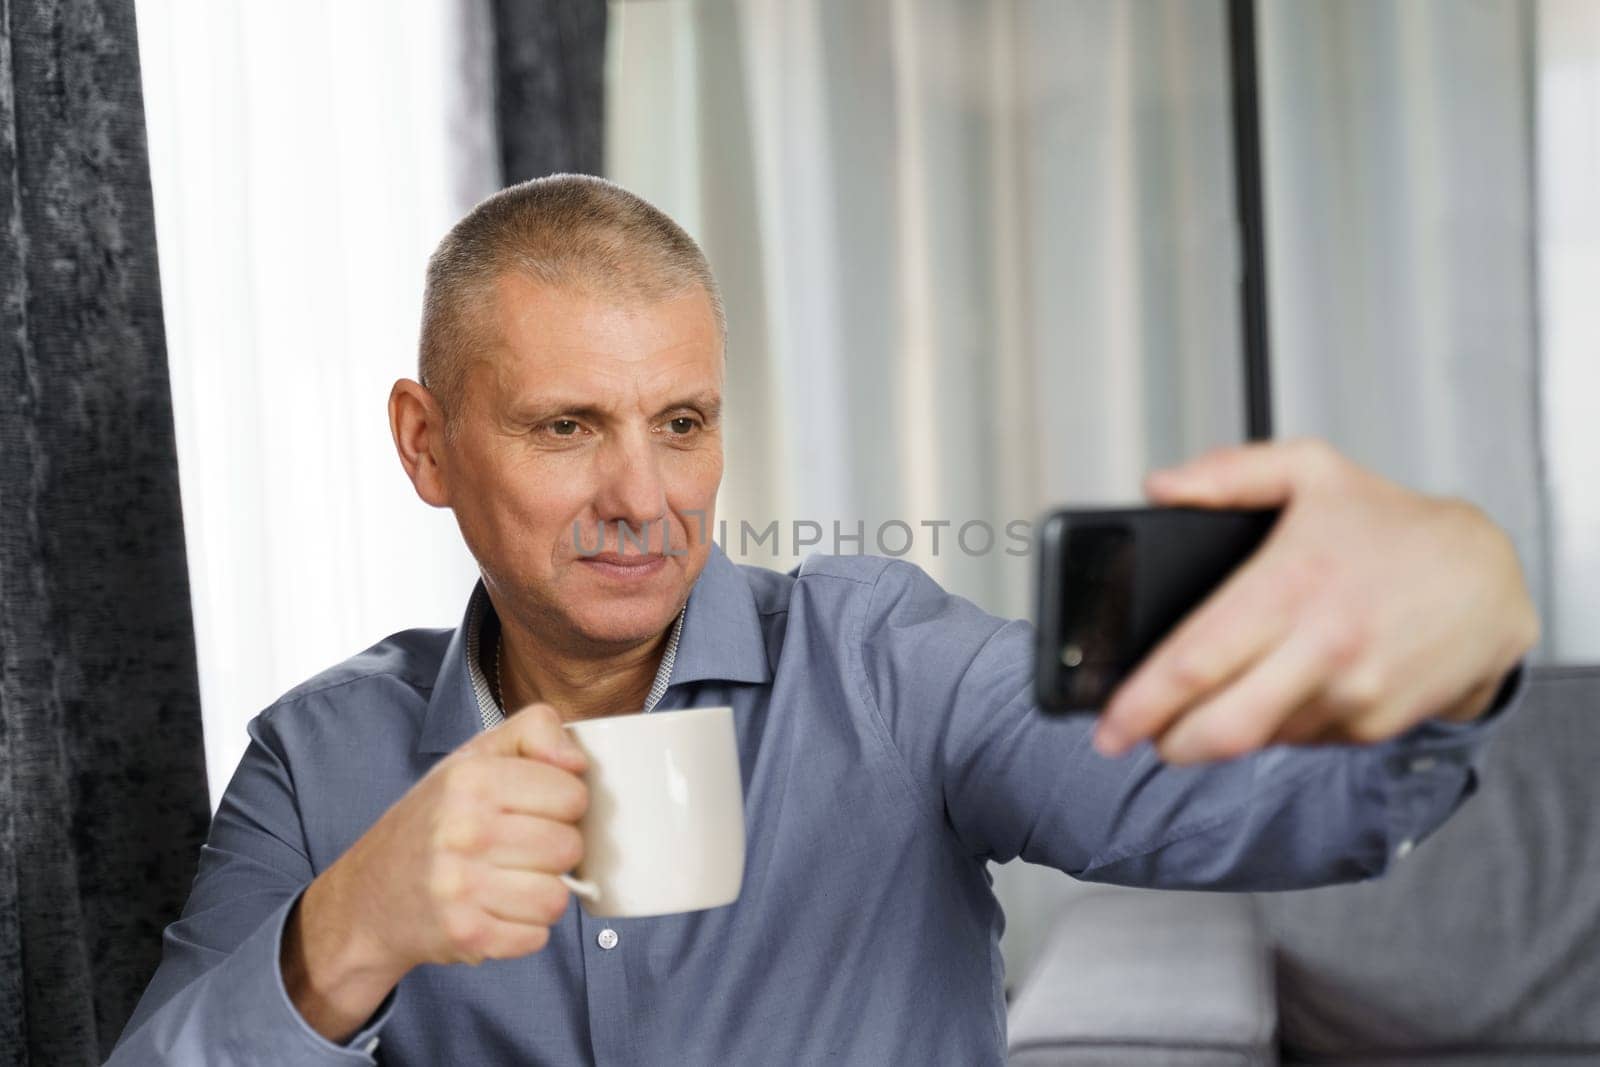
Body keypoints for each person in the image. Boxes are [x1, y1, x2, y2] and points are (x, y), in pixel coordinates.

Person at [110, 175, 1538, 1065]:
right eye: (565, 427)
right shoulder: (324, 760)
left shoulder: (889, 669)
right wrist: (344, 938)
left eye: (682, 422)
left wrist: (1469, 618)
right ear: (427, 446)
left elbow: (1263, 817)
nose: (643, 496)